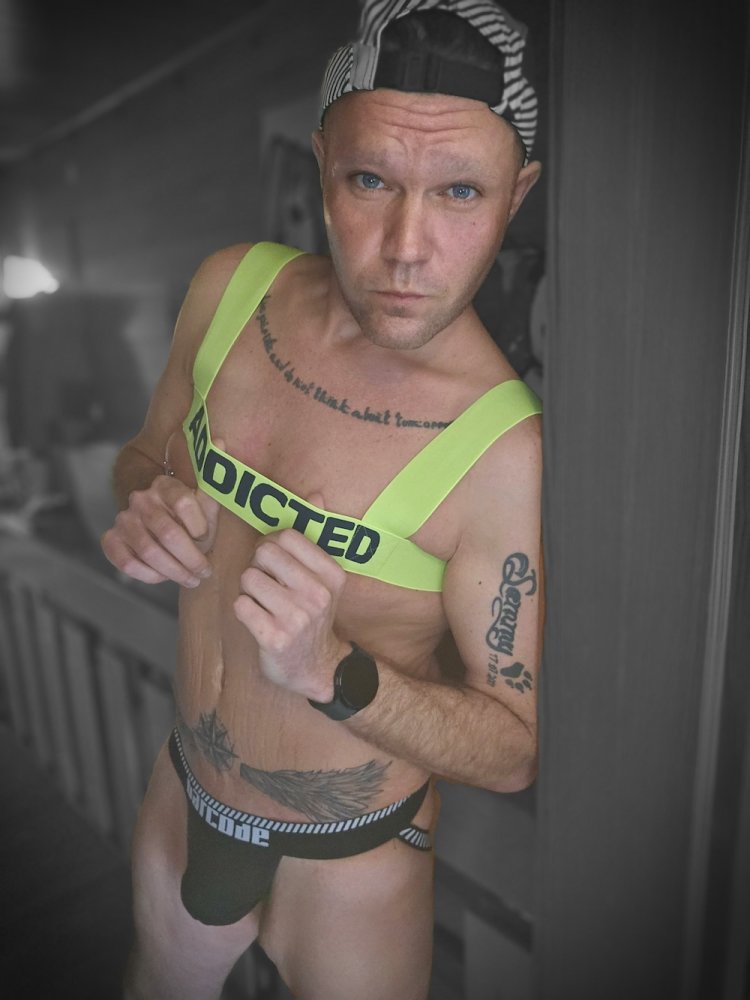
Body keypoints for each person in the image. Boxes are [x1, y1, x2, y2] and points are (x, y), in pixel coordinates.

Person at [101, 1, 544, 997]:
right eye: (370, 180)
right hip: (185, 789)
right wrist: (146, 505)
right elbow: (141, 456)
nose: (406, 246)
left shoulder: (502, 449)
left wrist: (333, 670)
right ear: (322, 162)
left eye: (461, 190)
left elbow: (513, 748)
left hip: (350, 854)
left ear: (517, 193)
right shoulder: (230, 289)